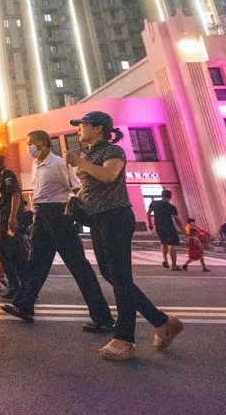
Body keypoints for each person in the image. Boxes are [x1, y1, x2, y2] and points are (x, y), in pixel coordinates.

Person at [65, 112, 183, 361]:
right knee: (111, 275)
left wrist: (80, 163)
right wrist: (76, 199)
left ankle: (125, 338)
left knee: (120, 277)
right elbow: (92, 185)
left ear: (99, 128)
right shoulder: (89, 154)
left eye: (82, 125)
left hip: (116, 217)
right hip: (97, 218)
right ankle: (162, 322)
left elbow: (109, 175)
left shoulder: (113, 151)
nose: (78, 130)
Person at [2, 130, 115, 333]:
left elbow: (77, 188)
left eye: (31, 143)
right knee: (36, 263)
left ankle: (103, 318)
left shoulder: (58, 164)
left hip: (59, 215)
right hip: (41, 215)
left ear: (43, 144)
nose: (29, 148)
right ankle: (24, 305)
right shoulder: (36, 164)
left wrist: (75, 208)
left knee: (78, 265)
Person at [0, 152, 27, 301]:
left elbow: (15, 195)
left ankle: (16, 286)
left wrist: (13, 216)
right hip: (5, 220)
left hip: (11, 220)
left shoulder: (7, 175)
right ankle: (24, 287)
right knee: (15, 253)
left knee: (5, 251)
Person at [146, 189, 182, 271]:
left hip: (158, 226)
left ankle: (165, 259)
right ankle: (174, 265)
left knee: (164, 242)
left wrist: (150, 223)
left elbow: (148, 213)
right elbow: (177, 219)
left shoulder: (154, 203)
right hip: (169, 226)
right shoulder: (171, 207)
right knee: (172, 244)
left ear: (161, 196)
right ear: (170, 197)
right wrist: (183, 230)